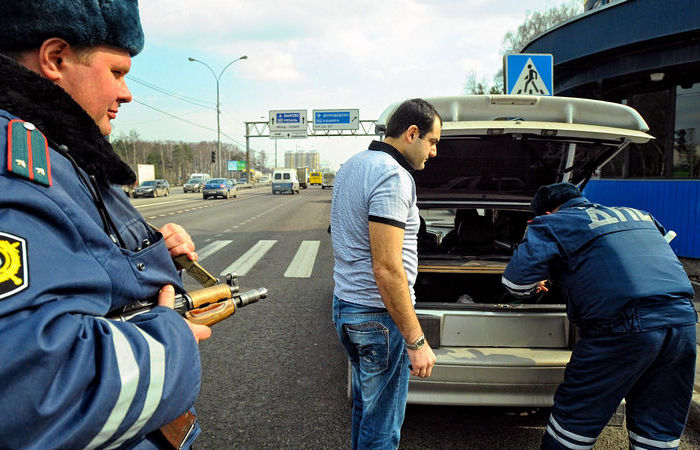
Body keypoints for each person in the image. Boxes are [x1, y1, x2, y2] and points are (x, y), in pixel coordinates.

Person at [0, 1, 211, 448]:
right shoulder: (17, 163)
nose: (127, 93)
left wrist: (156, 252)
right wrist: (171, 339)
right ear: (55, 59)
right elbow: (37, 387)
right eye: (116, 73)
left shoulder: (63, 153)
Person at [502, 182, 697, 450]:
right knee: (659, 426)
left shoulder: (551, 224)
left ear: (547, 213)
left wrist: (544, 278)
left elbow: (516, 285)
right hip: (682, 320)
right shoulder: (640, 214)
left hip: (621, 326)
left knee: (575, 421)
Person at [331, 98, 441, 449]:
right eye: (433, 141)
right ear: (412, 133)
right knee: (383, 429)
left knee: (366, 409)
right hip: (378, 317)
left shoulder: (352, 166)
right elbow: (388, 267)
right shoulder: (393, 176)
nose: (434, 152)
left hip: (346, 306)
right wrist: (416, 340)